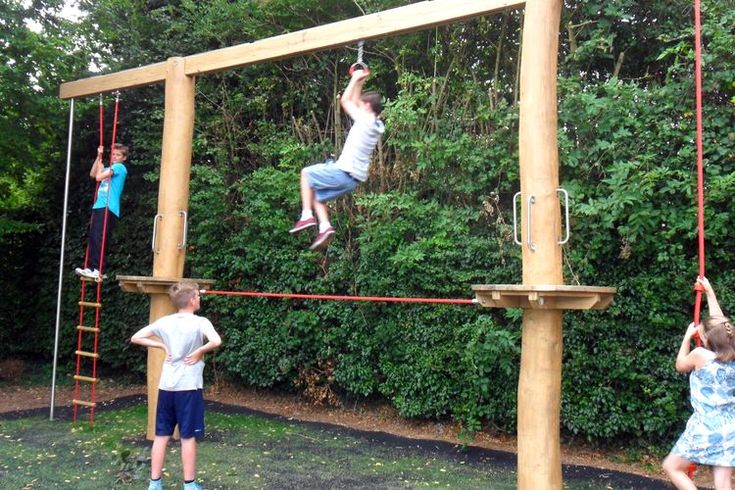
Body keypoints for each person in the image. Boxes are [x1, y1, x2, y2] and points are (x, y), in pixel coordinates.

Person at [130, 282, 222, 490]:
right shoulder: (201, 322)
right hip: (188, 389)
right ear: (191, 301)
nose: (199, 298)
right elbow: (215, 341)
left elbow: (137, 337)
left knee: (161, 436)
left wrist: (161, 345)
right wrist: (200, 352)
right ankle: (189, 485)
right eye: (197, 295)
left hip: (167, 388)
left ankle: (154, 484)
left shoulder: (165, 322)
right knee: (187, 437)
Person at [289, 69, 385, 250]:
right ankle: (325, 227)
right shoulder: (374, 123)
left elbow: (346, 100)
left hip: (343, 172)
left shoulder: (365, 120)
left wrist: (355, 78)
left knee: (306, 174)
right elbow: (356, 100)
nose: (359, 104)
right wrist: (359, 81)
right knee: (315, 194)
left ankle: (306, 215)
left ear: (367, 107)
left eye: (362, 103)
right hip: (352, 180)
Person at [663, 277, 735, 490]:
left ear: (707, 340)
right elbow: (721, 325)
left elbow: (680, 365)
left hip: (705, 426)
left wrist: (686, 338)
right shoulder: (731, 354)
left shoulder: (700, 355)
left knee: (672, 467)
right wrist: (710, 291)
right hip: (730, 426)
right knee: (723, 483)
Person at [75, 143, 128, 280]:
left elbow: (99, 177)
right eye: (113, 154)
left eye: (118, 155)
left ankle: (97, 269)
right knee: (94, 237)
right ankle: (92, 268)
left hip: (108, 206)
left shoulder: (119, 167)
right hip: (100, 206)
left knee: (99, 237)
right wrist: (98, 157)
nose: (114, 157)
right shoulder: (109, 168)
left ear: (124, 158)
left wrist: (100, 165)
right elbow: (93, 173)